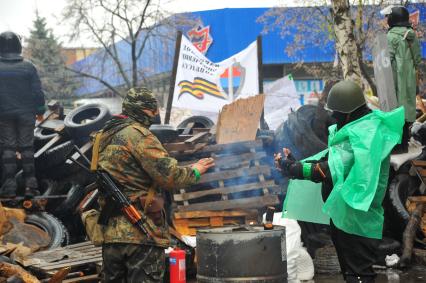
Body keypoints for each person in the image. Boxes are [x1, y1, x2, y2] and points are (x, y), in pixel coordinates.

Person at [275, 80, 404, 283]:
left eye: (336, 112)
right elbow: (333, 160)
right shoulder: (361, 128)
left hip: (356, 219)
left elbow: (329, 170)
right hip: (347, 216)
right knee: (353, 273)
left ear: (348, 112)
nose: (333, 117)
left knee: (359, 275)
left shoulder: (364, 135)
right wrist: (295, 164)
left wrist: (294, 168)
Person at [93, 87, 214, 283]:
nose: (155, 115)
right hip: (140, 232)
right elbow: (170, 177)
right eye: (152, 110)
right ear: (142, 110)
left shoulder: (103, 135)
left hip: (111, 234)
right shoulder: (139, 136)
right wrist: (197, 169)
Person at [0, 31, 45, 197]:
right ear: (18, 46)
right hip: (26, 114)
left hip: (3, 115)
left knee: (8, 149)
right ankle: (31, 186)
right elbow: (37, 92)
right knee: (27, 148)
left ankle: (9, 187)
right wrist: (40, 111)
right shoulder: (29, 66)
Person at [382, 6, 421, 153]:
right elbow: (417, 60)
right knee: (406, 112)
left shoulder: (390, 37)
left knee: (394, 113)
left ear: (393, 19)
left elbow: (385, 62)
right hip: (409, 81)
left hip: (394, 82)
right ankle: (404, 145)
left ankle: (396, 148)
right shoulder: (412, 36)